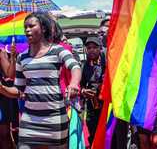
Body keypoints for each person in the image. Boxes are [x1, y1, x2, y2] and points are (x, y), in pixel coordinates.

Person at [0, 12, 81, 148]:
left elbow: (75, 67)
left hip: (55, 119)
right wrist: (2, 89)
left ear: (43, 28)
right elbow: (18, 90)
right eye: (25, 27)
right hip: (29, 120)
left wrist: (73, 84)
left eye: (31, 26)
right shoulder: (22, 57)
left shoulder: (58, 50)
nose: (27, 30)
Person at [80, 37, 105, 146]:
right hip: (91, 104)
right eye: (89, 47)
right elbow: (80, 84)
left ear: (100, 49)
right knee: (92, 130)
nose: (91, 50)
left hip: (106, 104)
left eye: (95, 47)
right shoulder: (84, 65)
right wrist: (83, 90)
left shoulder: (107, 62)